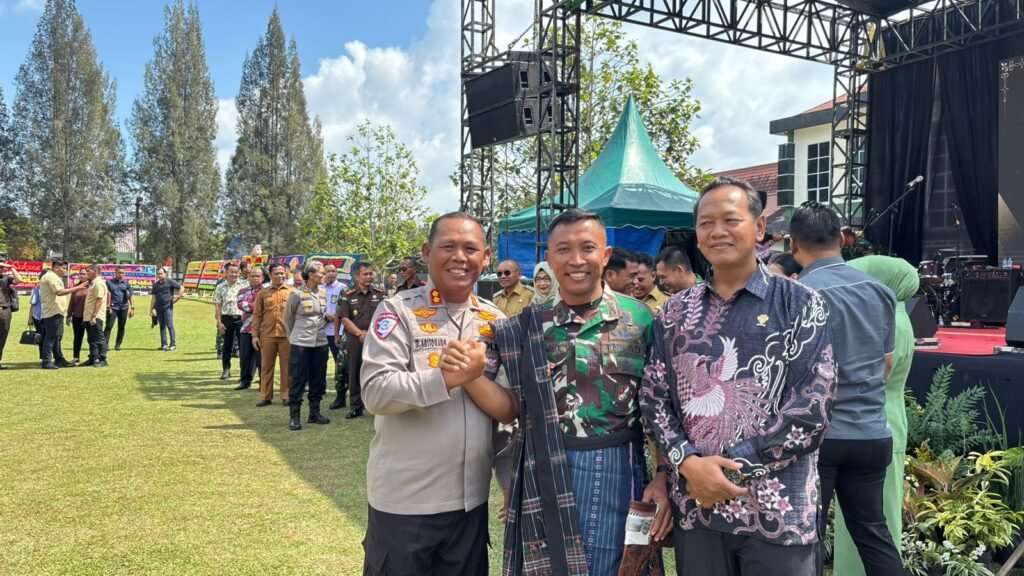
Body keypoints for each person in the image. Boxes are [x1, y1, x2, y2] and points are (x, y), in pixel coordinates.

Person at [639, 177, 837, 576]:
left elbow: (812, 412)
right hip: (698, 509)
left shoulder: (800, 304)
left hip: (778, 513)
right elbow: (654, 398)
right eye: (706, 223)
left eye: (730, 220)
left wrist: (728, 468)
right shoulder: (674, 312)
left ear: (759, 227)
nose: (718, 232)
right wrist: (688, 463)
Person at [495, 208, 670, 576]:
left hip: (618, 469)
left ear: (605, 255)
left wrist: (662, 474)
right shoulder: (528, 326)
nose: (576, 260)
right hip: (542, 468)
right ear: (549, 258)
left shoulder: (641, 319)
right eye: (564, 249)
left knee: (617, 566)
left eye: (587, 248)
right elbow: (512, 408)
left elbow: (661, 407)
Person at [359, 212, 511, 576]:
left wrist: (509, 481)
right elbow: (375, 392)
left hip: (470, 506)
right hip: (405, 504)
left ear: (486, 257)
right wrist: (445, 378)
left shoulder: (496, 322)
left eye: (470, 249)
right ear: (427, 253)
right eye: (448, 246)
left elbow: (506, 416)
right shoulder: (398, 311)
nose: (459, 257)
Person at [789, 203, 902, 576]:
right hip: (872, 432)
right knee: (873, 534)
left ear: (793, 245)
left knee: (806, 538)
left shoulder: (797, 294)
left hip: (818, 438)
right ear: (841, 238)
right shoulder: (880, 292)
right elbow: (886, 364)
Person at [834, 256, 918, 576]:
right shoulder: (893, 317)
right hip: (881, 420)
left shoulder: (890, 322)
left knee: (873, 518)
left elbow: (874, 375)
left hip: (875, 421)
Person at [284, 260, 331, 430]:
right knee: (298, 378)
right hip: (301, 342)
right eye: (321, 273)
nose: (324, 276)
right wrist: (293, 337)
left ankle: (314, 413)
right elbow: (288, 318)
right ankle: (295, 416)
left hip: (320, 341)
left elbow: (321, 316)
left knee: (318, 378)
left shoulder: (323, 293)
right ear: (311, 275)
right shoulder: (296, 294)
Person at [335, 261, 385, 419]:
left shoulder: (380, 294)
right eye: (365, 274)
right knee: (354, 371)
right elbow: (344, 318)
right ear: (357, 276)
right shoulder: (348, 294)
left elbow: (385, 316)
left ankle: (376, 404)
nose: (369, 277)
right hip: (355, 339)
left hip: (376, 338)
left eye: (371, 273)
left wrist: (370, 333)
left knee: (377, 370)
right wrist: (360, 334)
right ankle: (356, 406)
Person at [252, 263, 294, 406]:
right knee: (266, 366)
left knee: (287, 367)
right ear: (270, 275)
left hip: (287, 335)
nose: (280, 276)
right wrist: (254, 335)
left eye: (282, 273)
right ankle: (265, 396)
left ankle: (286, 395)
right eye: (277, 273)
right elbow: (257, 315)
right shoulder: (263, 293)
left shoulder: (292, 292)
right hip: (267, 335)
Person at [39, 260, 89, 369]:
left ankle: (59, 359)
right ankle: (46, 361)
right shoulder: (51, 277)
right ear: (56, 267)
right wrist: (79, 287)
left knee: (57, 337)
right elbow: (59, 292)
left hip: (57, 311)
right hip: (53, 311)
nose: (65, 271)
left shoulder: (55, 277)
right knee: (51, 336)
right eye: (64, 268)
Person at [322, 263, 351, 411]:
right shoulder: (320, 289)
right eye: (328, 271)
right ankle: (320, 389)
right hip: (321, 331)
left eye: (334, 271)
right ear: (323, 273)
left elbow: (344, 310)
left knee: (341, 365)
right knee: (320, 363)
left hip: (338, 332)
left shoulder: (343, 288)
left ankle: (341, 395)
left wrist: (335, 316)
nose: (331, 273)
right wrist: (324, 315)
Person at [213, 262, 244, 380]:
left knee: (243, 346)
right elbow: (218, 305)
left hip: (242, 319)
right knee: (227, 345)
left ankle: (244, 371)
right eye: (231, 272)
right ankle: (226, 369)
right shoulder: (220, 287)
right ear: (226, 273)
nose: (234, 274)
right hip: (227, 319)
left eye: (236, 272)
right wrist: (219, 321)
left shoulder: (244, 285)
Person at [235, 267, 264, 391]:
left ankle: (263, 382)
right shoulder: (243, 291)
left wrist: (251, 306)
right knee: (245, 356)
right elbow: (241, 304)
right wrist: (258, 306)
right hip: (246, 328)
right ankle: (245, 381)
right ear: (248, 278)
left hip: (263, 329)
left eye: (258, 276)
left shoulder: (267, 291)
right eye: (252, 276)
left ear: (263, 278)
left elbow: (267, 307)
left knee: (262, 358)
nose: (255, 278)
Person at [150, 266, 184, 351]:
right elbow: (153, 297)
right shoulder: (155, 285)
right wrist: (151, 309)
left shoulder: (170, 282)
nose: (159, 275)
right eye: (158, 274)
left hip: (168, 307)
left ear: (165, 274)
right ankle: (164, 344)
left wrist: (177, 298)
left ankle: (173, 344)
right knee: (162, 326)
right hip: (158, 308)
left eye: (161, 273)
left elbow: (182, 288)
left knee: (169, 325)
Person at [81, 264, 109, 368]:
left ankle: (103, 358)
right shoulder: (93, 283)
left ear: (95, 272)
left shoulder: (99, 283)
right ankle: (93, 357)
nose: (87, 273)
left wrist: (94, 316)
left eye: (89, 271)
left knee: (98, 337)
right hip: (89, 315)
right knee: (91, 338)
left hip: (95, 316)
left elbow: (99, 300)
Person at [104, 266, 135, 351]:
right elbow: (105, 295)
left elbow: (131, 296)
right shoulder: (109, 282)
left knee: (121, 327)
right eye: (119, 272)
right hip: (113, 307)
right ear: (115, 272)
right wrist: (108, 306)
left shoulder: (126, 283)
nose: (121, 274)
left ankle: (118, 345)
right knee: (109, 325)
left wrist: (132, 308)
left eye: (122, 273)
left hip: (124, 307)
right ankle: (105, 345)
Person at [0, 260, 23, 370]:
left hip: (4, 310)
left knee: (2, 336)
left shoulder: (5, 278)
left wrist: (11, 267)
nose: (1, 269)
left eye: (2, 267)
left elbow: (19, 280)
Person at [68, 276, 89, 363]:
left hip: (88, 316)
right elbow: (71, 302)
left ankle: (93, 356)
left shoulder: (92, 286)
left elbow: (107, 294)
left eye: (84, 273)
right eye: (80, 274)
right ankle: (76, 357)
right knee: (77, 337)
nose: (82, 275)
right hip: (77, 315)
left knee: (91, 337)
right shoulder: (76, 287)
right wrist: (69, 315)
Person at [28, 282, 45, 361]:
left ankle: (49, 356)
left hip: (50, 315)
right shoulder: (38, 288)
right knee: (41, 337)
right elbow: (33, 303)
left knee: (50, 337)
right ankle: (43, 357)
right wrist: (30, 318)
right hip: (38, 316)